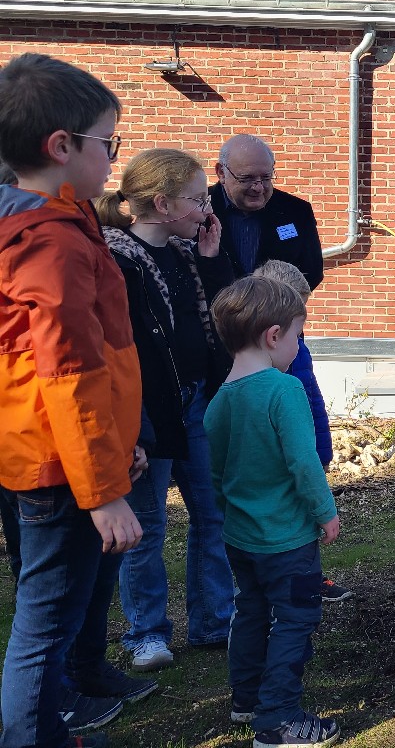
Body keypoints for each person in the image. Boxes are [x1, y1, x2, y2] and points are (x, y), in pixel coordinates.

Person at [0, 52, 144, 748]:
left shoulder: (47, 222)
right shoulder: (50, 244)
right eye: (107, 143)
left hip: (44, 453)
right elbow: (70, 373)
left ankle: (45, 726)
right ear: (62, 147)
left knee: (45, 612)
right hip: (60, 469)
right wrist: (102, 491)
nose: (114, 159)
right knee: (45, 621)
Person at [97, 148, 236, 671]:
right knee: (147, 524)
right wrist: (136, 425)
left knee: (212, 511)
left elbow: (225, 314)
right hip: (147, 412)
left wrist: (211, 256)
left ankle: (211, 620)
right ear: (163, 203)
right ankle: (146, 633)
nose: (207, 208)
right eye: (198, 199)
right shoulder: (118, 258)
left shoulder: (185, 252)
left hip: (196, 399)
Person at [204, 275, 341, 748]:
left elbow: (216, 476)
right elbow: (303, 462)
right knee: (296, 618)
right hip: (288, 542)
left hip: (240, 538)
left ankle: (246, 699)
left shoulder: (219, 401)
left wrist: (231, 513)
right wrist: (325, 511)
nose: (298, 347)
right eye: (298, 336)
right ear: (274, 336)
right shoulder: (284, 392)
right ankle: (279, 718)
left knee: (251, 610)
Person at [253, 259, 353, 603]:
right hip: (278, 457)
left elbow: (312, 398)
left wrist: (322, 450)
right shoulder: (253, 366)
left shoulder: (298, 350)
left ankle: (309, 581)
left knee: (306, 520)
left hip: (306, 448)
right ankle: (286, 591)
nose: (299, 334)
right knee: (287, 523)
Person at [210, 134, 323, 289]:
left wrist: (274, 305)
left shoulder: (297, 211)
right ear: (221, 173)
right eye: (247, 178)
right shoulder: (197, 208)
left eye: (266, 177)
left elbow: (312, 272)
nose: (258, 187)